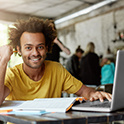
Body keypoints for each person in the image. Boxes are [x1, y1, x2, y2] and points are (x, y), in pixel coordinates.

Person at [0, 17, 111, 106]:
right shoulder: (12, 75)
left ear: (47, 48)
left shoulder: (56, 70)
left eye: (40, 47)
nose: (35, 53)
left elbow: (83, 91)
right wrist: (3, 60)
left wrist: (94, 93)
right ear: (19, 50)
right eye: (28, 48)